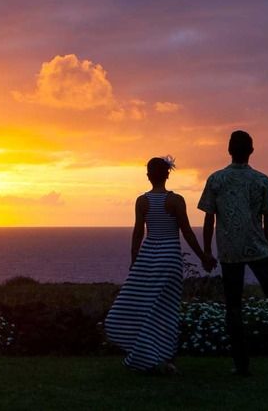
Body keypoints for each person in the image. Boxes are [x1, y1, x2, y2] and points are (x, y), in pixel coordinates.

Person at [198, 130, 268, 376]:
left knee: (233, 307)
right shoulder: (263, 180)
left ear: (229, 150)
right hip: (259, 249)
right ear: (251, 151)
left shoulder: (216, 179)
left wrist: (206, 251)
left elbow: (209, 218)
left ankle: (241, 364)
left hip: (229, 251)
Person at [106, 156, 217, 373]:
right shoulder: (176, 200)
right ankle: (162, 357)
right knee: (166, 311)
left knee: (143, 307)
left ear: (148, 175)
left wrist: (133, 260)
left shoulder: (142, 201)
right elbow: (186, 232)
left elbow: (138, 232)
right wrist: (203, 256)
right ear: (167, 174)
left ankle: (147, 355)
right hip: (169, 260)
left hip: (147, 258)